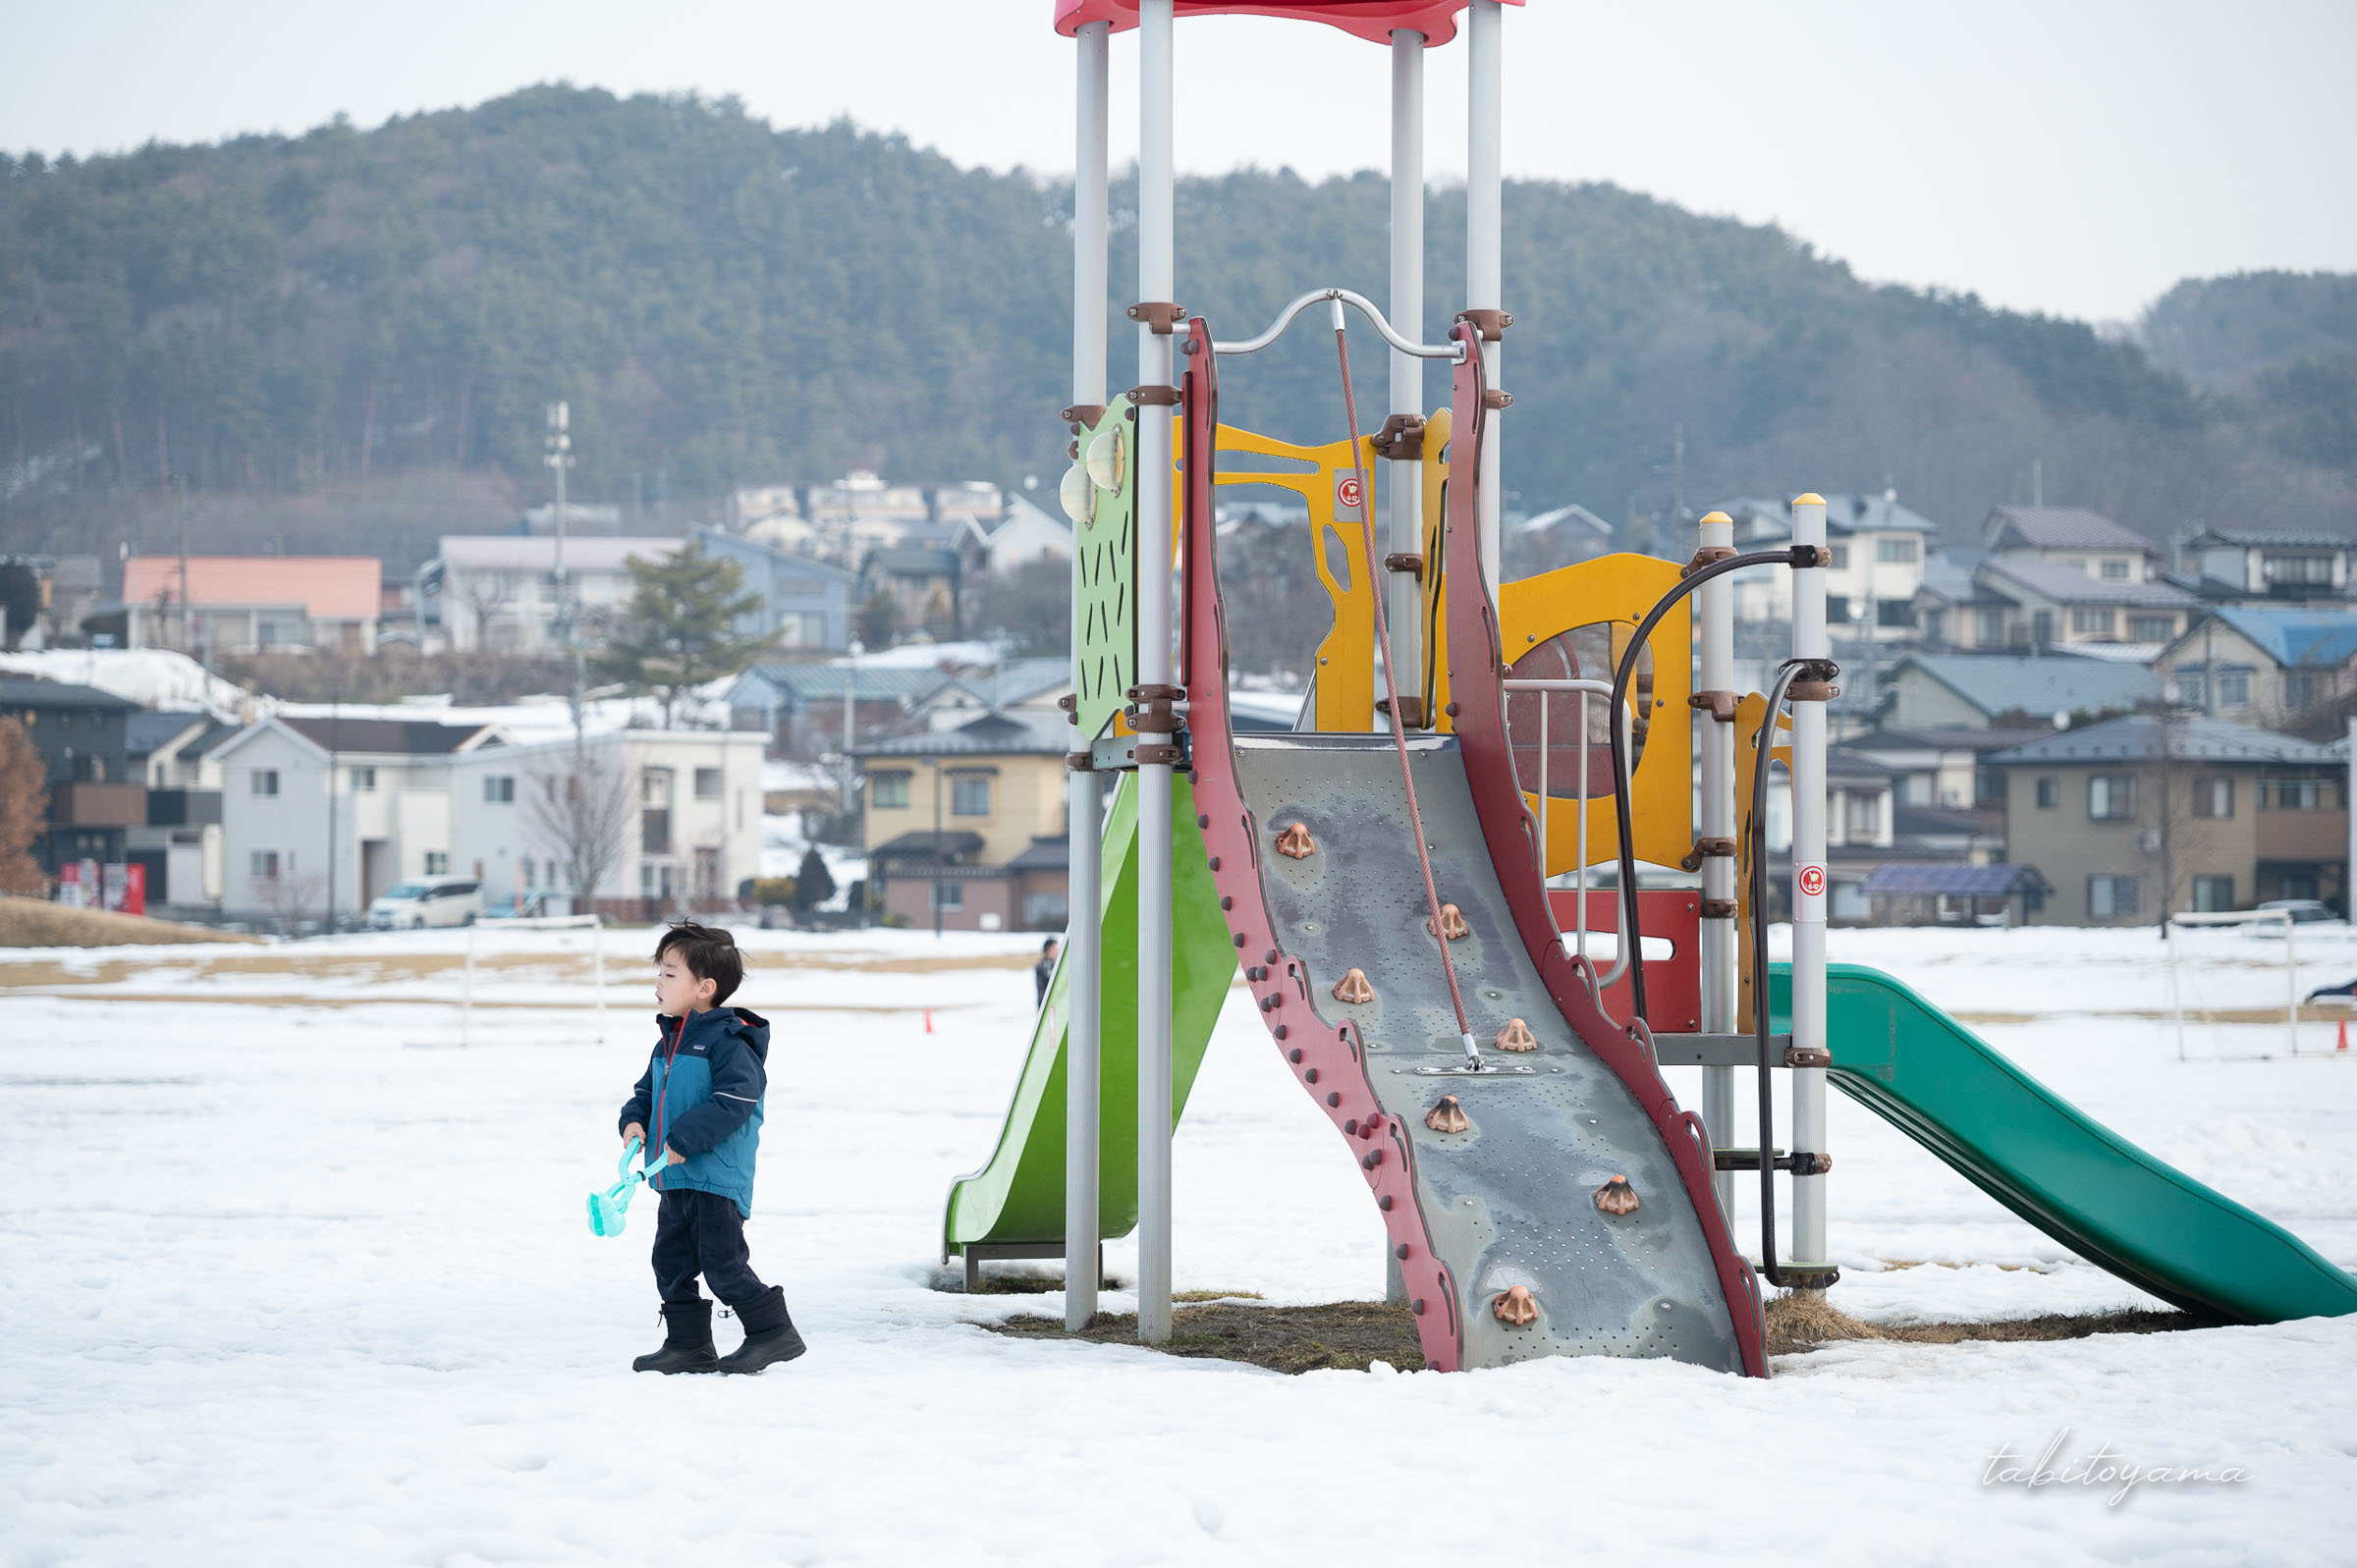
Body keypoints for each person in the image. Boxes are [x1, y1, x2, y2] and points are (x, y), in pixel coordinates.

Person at [618, 920, 805, 1376]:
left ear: (705, 987)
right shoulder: (669, 1040)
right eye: (659, 972)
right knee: (670, 1261)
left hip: (716, 1174)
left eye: (669, 973)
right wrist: (633, 1121)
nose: (658, 983)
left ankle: (772, 1333)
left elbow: (736, 1100)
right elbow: (647, 1091)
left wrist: (686, 1137)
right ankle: (688, 1344)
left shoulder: (729, 1041)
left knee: (722, 1262)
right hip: (675, 1174)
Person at [1033, 937, 1061, 1007]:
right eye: (1055, 948)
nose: (1058, 950)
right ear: (1049, 949)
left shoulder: (1056, 964)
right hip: (1047, 1006)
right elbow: (1042, 990)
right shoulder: (1042, 966)